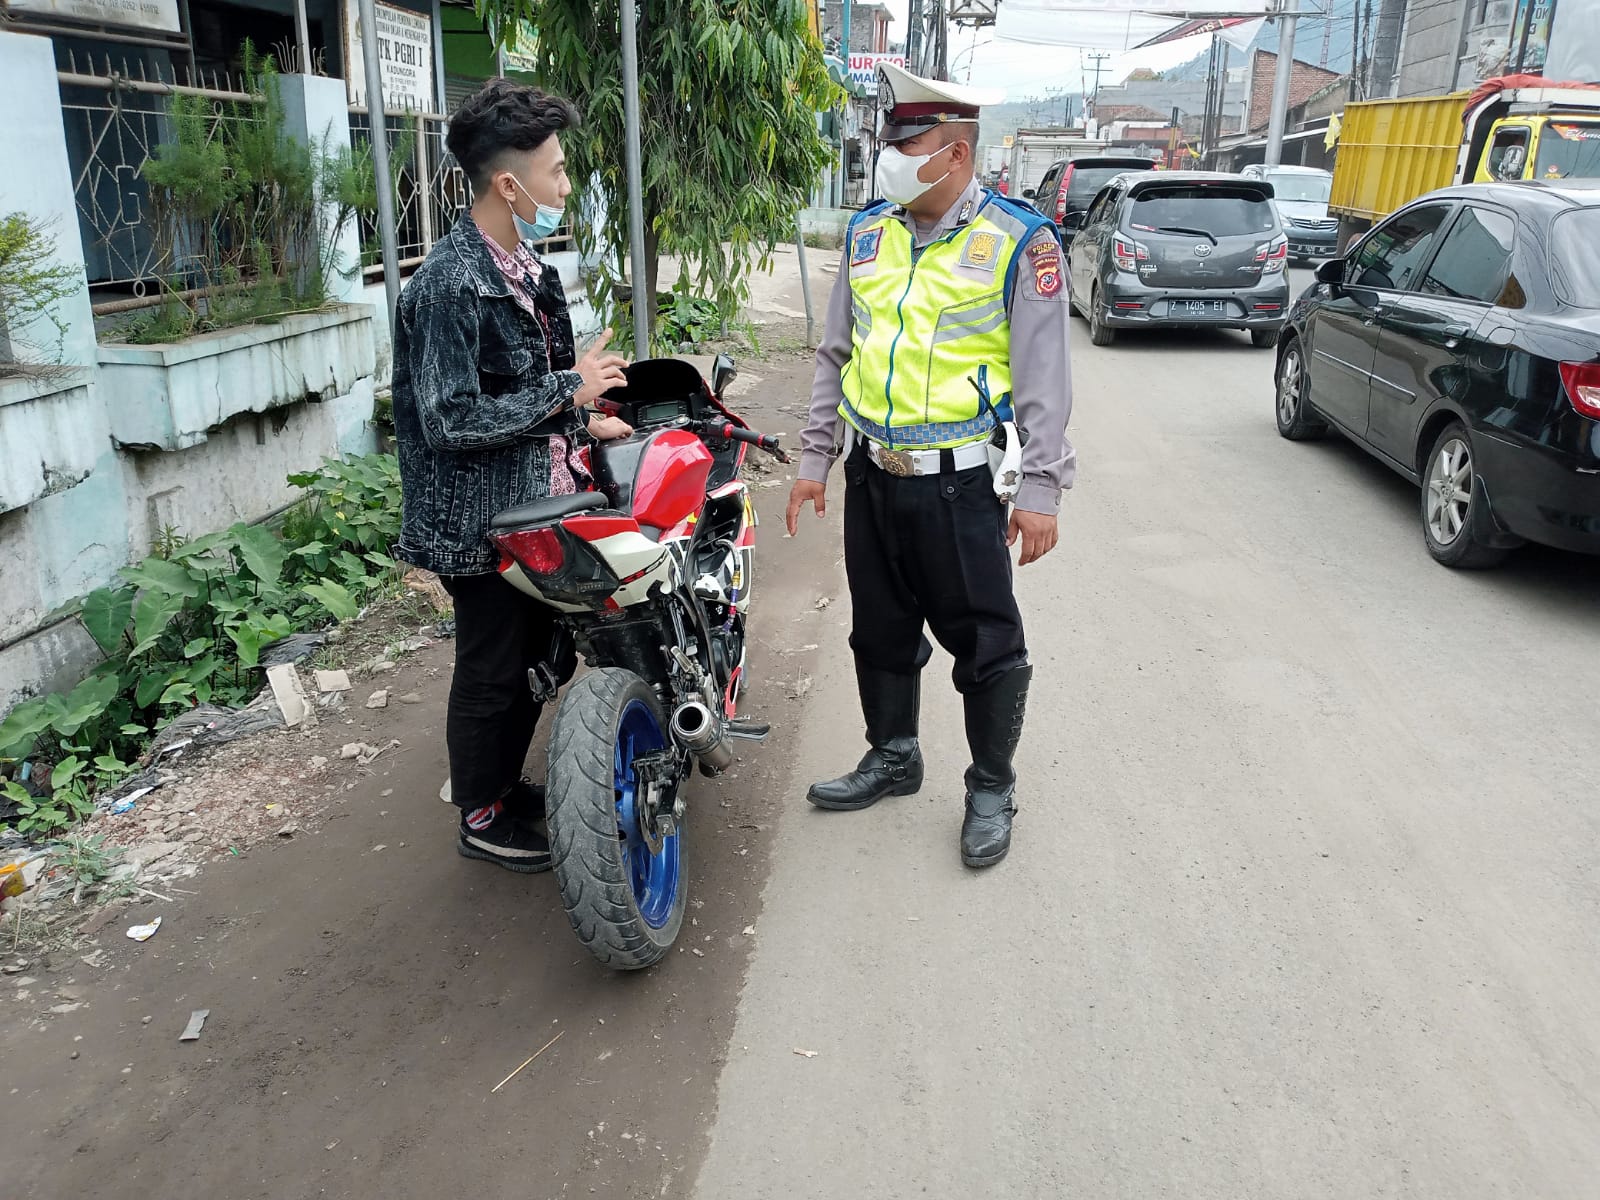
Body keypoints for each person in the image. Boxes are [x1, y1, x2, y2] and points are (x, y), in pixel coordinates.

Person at [786, 62, 1075, 869]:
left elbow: (1045, 381)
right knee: (878, 629)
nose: (890, 158)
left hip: (959, 484)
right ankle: (894, 754)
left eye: (907, 145)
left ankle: (990, 784)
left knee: (984, 641)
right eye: (890, 144)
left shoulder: (1021, 242)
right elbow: (835, 352)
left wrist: (1043, 487)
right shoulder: (869, 233)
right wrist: (816, 458)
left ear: (953, 154)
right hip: (871, 475)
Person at [391, 80, 634, 872]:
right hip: (479, 522)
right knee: (492, 667)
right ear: (508, 183)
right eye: (556, 172)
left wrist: (581, 418)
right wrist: (571, 389)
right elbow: (452, 418)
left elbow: (520, 391)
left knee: (539, 657)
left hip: (535, 503)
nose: (564, 187)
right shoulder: (450, 284)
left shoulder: (524, 266)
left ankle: (502, 783)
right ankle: (481, 813)